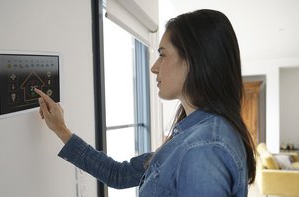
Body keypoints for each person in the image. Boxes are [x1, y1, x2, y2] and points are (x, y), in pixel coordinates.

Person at [35, 9, 256, 197]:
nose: (154, 67)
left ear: (192, 60)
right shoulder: (193, 134)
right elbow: (118, 174)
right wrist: (61, 130)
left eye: (162, 54)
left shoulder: (204, 148)